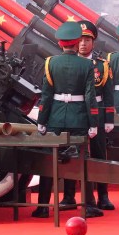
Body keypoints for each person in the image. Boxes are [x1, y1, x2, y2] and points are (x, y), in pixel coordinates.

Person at [32, 22, 99, 219]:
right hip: (79, 120)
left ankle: (43, 206)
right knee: (82, 163)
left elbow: (46, 95)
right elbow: (90, 97)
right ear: (77, 42)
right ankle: (88, 205)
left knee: (48, 163)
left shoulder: (51, 63)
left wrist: (42, 121)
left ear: (60, 43)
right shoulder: (87, 65)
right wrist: (93, 122)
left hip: (55, 118)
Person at [78, 20, 116, 212]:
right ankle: (70, 196)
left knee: (100, 155)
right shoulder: (70, 63)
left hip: (98, 113)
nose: (83, 44)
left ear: (94, 42)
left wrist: (109, 119)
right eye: (80, 40)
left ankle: (103, 195)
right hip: (77, 113)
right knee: (73, 154)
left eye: (87, 40)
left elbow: (109, 95)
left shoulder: (102, 66)